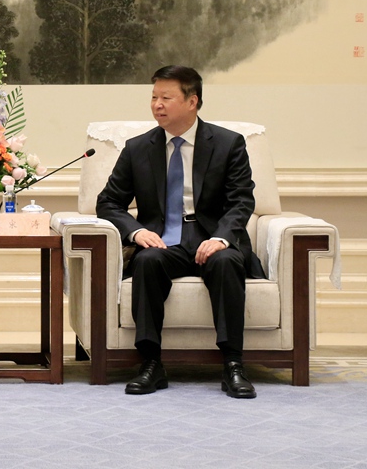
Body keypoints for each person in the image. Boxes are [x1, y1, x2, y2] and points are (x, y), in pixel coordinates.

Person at [96, 66, 265, 399]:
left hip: (211, 238)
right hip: (163, 241)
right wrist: (136, 232)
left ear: (192, 101)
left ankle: (233, 364)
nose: (157, 105)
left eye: (166, 97)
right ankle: (150, 363)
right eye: (154, 97)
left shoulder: (228, 144)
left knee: (226, 262)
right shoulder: (138, 148)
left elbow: (241, 200)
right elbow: (108, 203)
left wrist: (221, 238)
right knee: (147, 261)